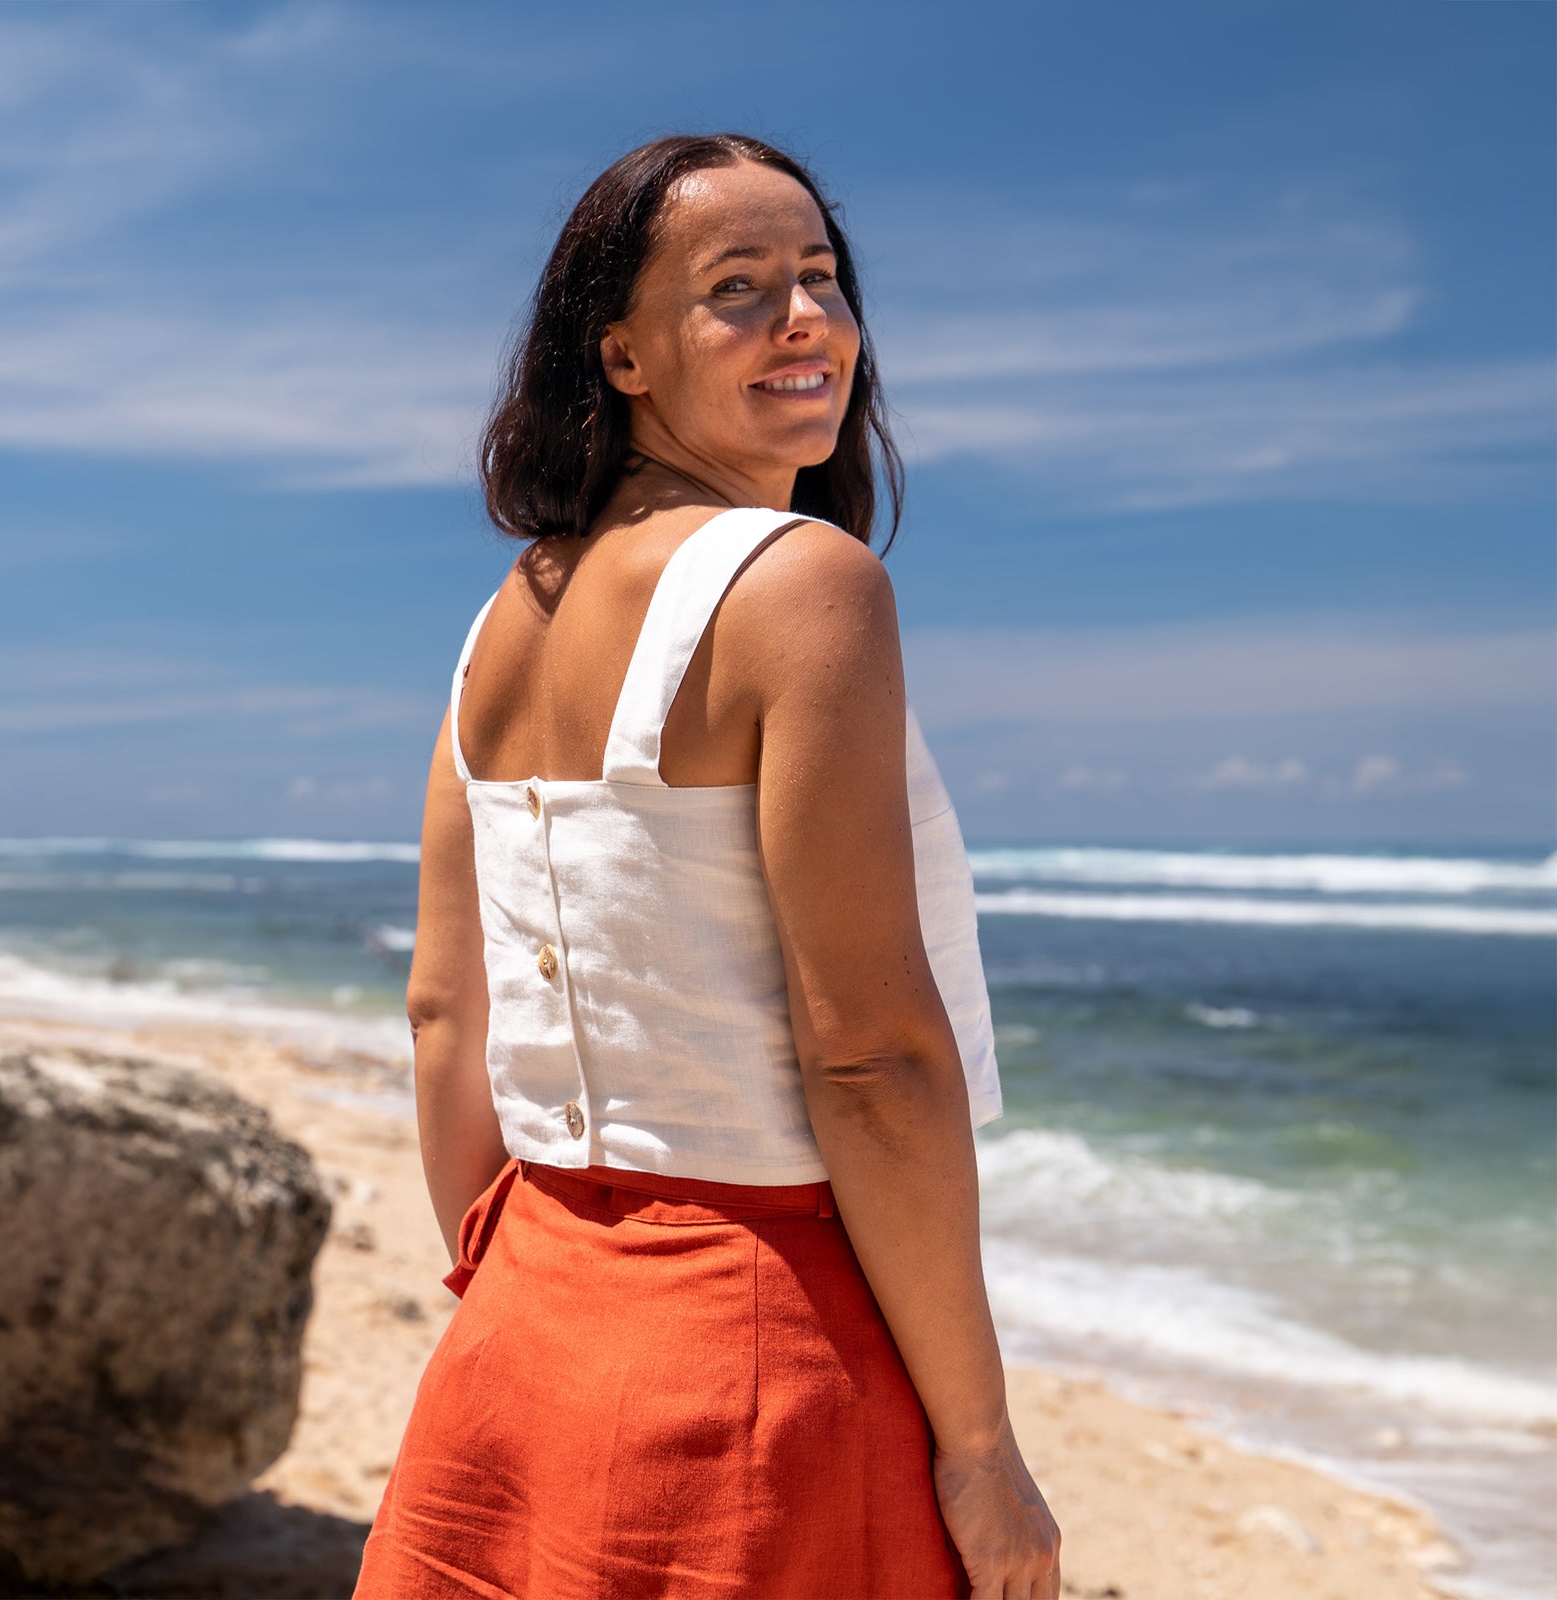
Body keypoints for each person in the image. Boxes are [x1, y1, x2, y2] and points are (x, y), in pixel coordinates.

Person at [352, 132, 1062, 1600]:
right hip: (763, 1347)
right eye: (738, 287)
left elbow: (444, 1014)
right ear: (621, 354)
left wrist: (511, 1288)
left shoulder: (503, 621)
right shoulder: (803, 583)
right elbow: (871, 1058)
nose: (806, 320)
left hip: (523, 1306)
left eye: (821, 276)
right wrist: (981, 1444)